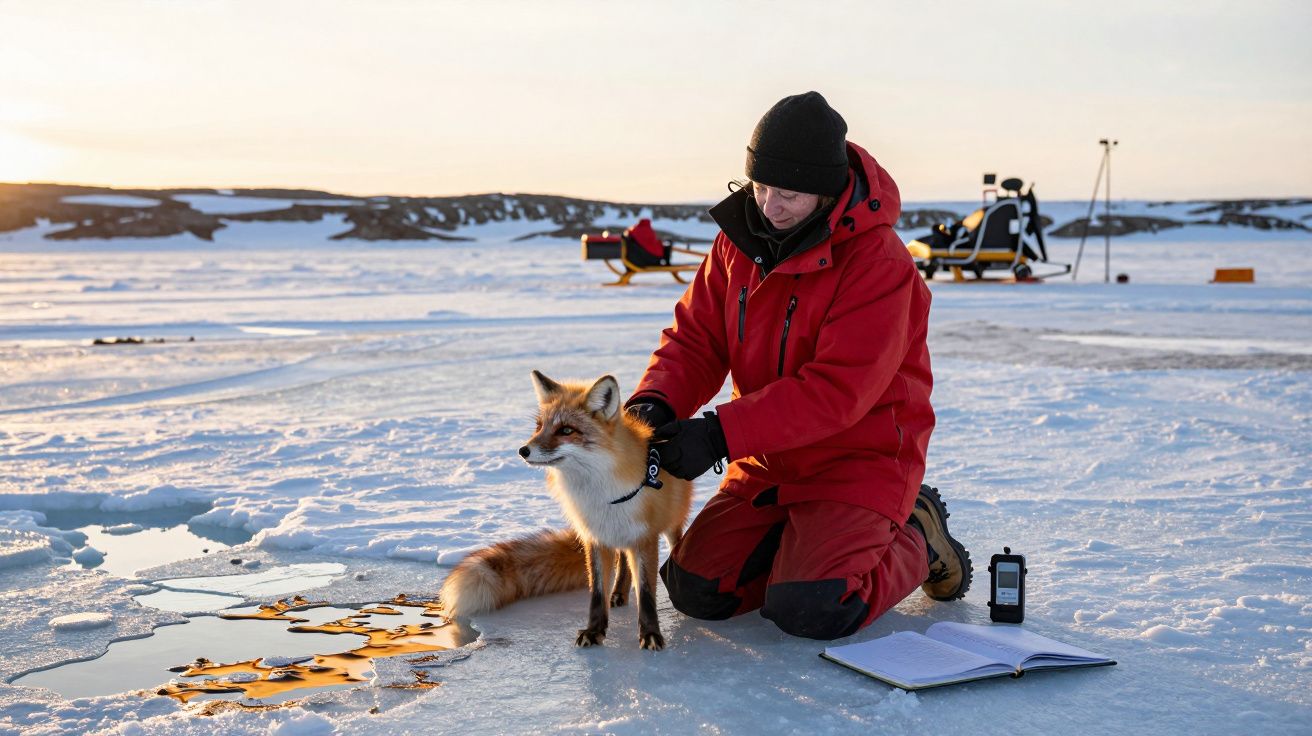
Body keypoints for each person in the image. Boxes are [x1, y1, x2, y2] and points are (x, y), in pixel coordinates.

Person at [625, 91, 971, 640]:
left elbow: (837, 391)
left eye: (788, 193)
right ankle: (806, 545)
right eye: (759, 187)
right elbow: (697, 339)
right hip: (768, 460)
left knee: (815, 607)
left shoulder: (879, 263)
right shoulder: (737, 243)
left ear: (827, 191)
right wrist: (653, 404)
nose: (769, 206)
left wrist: (718, 435)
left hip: (861, 459)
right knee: (697, 590)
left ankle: (917, 536)